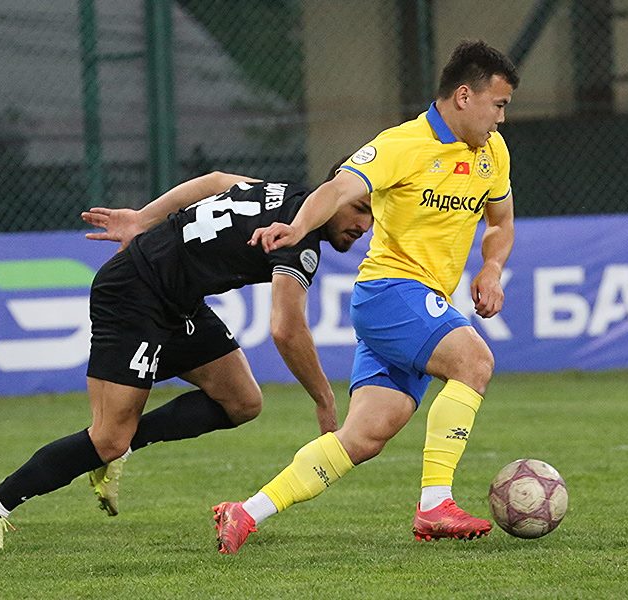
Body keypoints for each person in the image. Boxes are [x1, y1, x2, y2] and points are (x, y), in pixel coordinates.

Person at [0, 164, 373, 551]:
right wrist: (324, 399)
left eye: (373, 215)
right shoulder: (299, 242)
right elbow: (287, 329)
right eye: (359, 208)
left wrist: (143, 218)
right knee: (107, 437)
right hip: (134, 293)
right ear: (332, 192)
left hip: (177, 301)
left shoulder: (283, 194)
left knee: (242, 401)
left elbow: (214, 181)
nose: (365, 225)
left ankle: (120, 450)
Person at [212, 40, 519, 553]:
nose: (502, 119)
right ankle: (435, 504)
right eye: (499, 104)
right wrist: (296, 227)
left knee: (364, 438)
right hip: (391, 292)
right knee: (475, 362)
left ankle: (246, 512)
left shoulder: (493, 153)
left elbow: (501, 221)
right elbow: (337, 189)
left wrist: (491, 268)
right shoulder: (402, 144)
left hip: (413, 304)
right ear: (465, 96)